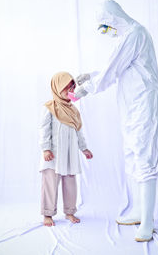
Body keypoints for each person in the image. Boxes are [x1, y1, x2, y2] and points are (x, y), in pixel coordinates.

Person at [75, 0, 158, 242]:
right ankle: (138, 211)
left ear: (114, 18)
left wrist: (86, 88)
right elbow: (115, 69)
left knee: (144, 159)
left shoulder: (135, 33)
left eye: (106, 26)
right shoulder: (127, 36)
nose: (107, 31)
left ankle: (147, 222)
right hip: (132, 108)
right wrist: (91, 76)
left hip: (144, 107)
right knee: (133, 157)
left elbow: (111, 71)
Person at [39, 71, 93, 227]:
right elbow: (44, 129)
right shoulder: (50, 107)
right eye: (66, 88)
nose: (70, 91)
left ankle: (70, 211)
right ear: (57, 87)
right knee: (50, 184)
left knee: (70, 183)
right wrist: (46, 149)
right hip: (53, 155)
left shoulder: (73, 110)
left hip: (69, 154)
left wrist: (84, 149)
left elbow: (79, 132)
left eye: (72, 87)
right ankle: (47, 214)